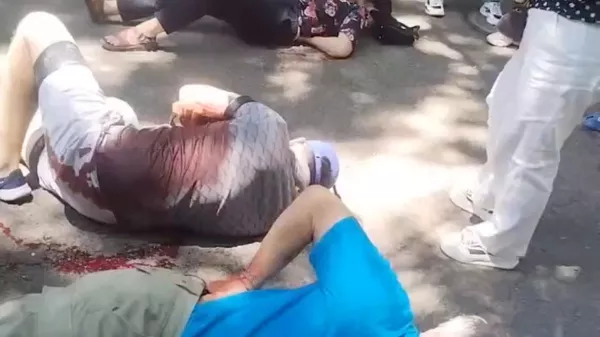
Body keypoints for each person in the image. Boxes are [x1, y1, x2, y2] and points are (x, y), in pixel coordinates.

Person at [0, 11, 340, 238]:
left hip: (97, 151)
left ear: (300, 145)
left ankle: (5, 171)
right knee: (113, 112)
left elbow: (189, 94)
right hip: (101, 209)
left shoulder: (269, 125)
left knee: (37, 25)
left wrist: (212, 118)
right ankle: (33, 151)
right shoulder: (268, 220)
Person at [0, 181, 484, 337]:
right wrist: (250, 278)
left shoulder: (379, 305)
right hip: (155, 324)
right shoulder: (376, 308)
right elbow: (317, 200)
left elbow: (318, 200)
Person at [440, 1, 600, 269]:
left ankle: (500, 244)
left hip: (583, 28)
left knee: (535, 142)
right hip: (550, 15)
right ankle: (491, 195)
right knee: (506, 108)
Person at [85, 0, 372, 58]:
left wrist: (304, 36)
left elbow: (342, 47)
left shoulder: (355, 11)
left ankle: (144, 33)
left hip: (283, 25)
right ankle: (113, 8)